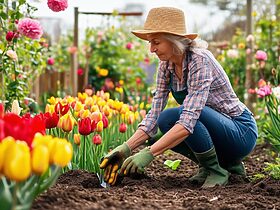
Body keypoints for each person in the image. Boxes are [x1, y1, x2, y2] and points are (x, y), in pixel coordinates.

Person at [100, 7, 258, 188]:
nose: (152, 49)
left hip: (240, 131)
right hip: (215, 129)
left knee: (181, 114)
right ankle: (218, 166)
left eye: (156, 42)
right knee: (165, 119)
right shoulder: (166, 66)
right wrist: (126, 148)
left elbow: (188, 120)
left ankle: (216, 169)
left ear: (174, 40)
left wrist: (149, 153)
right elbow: (154, 115)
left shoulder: (200, 60)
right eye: (150, 43)